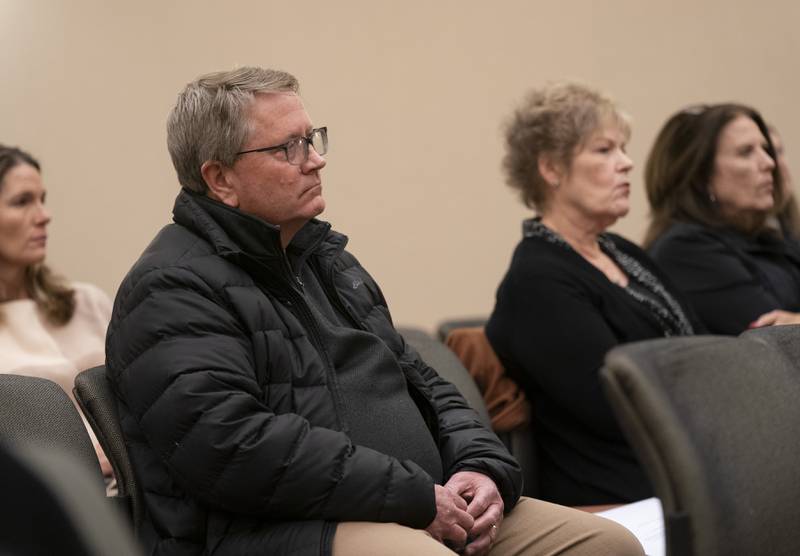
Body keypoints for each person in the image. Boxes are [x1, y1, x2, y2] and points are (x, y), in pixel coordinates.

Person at [105, 67, 644, 556]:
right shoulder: (171, 287)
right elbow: (232, 446)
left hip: (416, 501)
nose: (316, 159)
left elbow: (427, 387)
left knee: (607, 545)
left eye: (312, 139)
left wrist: (482, 470)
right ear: (220, 179)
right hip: (280, 531)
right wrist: (410, 496)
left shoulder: (329, 263)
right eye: (288, 148)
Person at [485, 83, 700, 506]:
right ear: (551, 168)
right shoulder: (537, 280)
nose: (627, 163)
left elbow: (702, 344)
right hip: (623, 497)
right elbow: (620, 404)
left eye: (624, 149)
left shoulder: (624, 253)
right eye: (605, 150)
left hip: (688, 468)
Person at [0, 145, 113, 477]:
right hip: (49, 501)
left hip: (139, 488)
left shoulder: (86, 301)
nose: (43, 215)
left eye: (42, 199)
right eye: (22, 202)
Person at [644, 104, 800, 334]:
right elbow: (778, 342)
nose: (769, 163)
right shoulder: (685, 250)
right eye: (746, 152)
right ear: (701, 175)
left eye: (765, 149)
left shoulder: (765, 236)